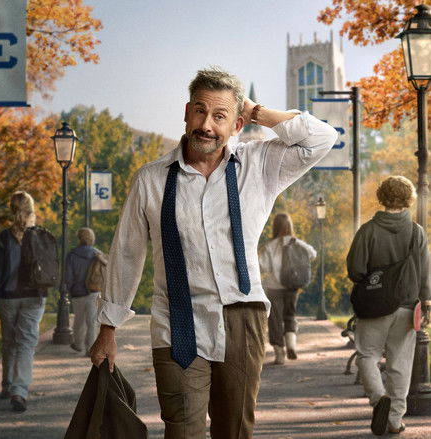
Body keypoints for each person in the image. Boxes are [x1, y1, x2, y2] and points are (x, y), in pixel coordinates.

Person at [89, 67, 337, 438]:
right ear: (187, 112)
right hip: (178, 322)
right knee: (182, 431)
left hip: (244, 318)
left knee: (234, 430)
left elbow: (322, 137)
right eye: (200, 111)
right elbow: (126, 253)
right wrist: (108, 329)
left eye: (220, 116)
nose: (206, 125)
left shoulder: (260, 165)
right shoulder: (151, 179)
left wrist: (259, 113)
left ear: (237, 125)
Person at [346, 176, 431, 435]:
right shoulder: (416, 232)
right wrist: (427, 304)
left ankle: (377, 398)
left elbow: (355, 270)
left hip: (373, 305)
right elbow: (425, 273)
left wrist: (374, 280)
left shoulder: (368, 230)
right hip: (407, 306)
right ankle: (394, 420)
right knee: (400, 364)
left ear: (382, 197)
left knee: (367, 356)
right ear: (409, 199)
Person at [0, 191, 47, 412]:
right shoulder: (39, 234)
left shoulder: (5, 236)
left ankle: (8, 385)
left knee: (9, 342)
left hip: (8, 296)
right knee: (26, 344)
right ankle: (19, 390)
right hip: (34, 295)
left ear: (12, 208)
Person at [259, 213, 317, 365]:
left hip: (274, 288)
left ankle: (279, 354)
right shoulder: (297, 242)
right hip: (292, 286)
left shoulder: (270, 246)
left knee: (275, 320)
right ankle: (291, 344)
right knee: (290, 315)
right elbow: (313, 253)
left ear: (275, 226)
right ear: (290, 226)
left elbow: (263, 266)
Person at [65, 227, 102, 355]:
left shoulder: (72, 254)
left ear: (79, 238)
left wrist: (70, 288)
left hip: (77, 292)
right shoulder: (97, 254)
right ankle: (90, 348)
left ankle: (78, 344)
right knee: (92, 321)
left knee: (79, 320)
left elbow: (68, 276)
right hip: (94, 291)